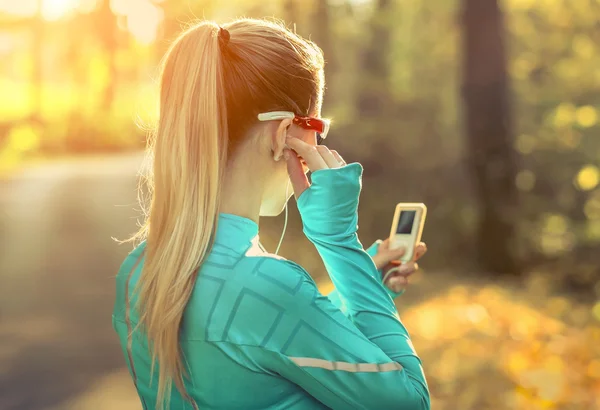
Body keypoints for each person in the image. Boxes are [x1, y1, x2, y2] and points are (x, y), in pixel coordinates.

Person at [112, 18, 430, 410]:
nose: (318, 142)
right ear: (283, 135)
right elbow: (410, 401)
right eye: (316, 126)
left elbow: (269, 341)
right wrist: (340, 241)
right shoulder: (270, 286)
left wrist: (364, 283)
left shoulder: (139, 272)